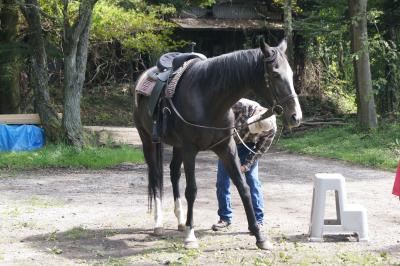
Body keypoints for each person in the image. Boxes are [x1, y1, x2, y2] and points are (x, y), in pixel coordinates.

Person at [212, 98, 277, 231]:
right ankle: (225, 218)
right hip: (228, 145)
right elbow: (219, 111)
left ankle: (258, 220)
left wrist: (246, 165)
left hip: (249, 148)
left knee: (253, 182)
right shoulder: (241, 105)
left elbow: (260, 150)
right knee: (222, 181)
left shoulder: (271, 129)